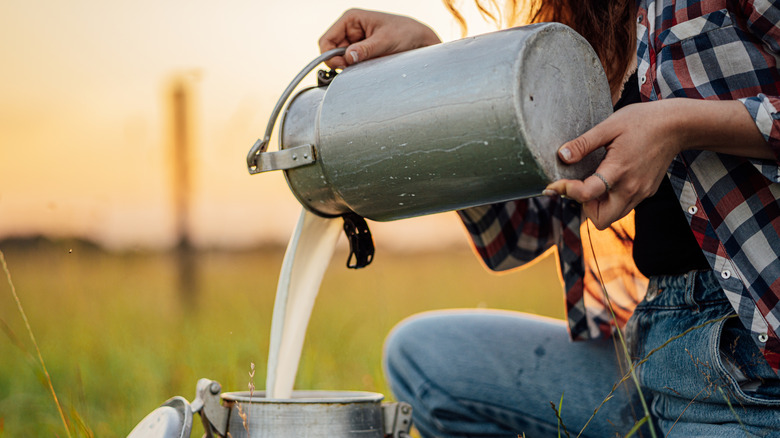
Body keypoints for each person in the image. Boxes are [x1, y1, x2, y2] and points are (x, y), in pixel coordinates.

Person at [320, 1, 780, 436]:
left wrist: (681, 124)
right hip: (654, 345)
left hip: (755, 359)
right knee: (422, 356)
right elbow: (522, 231)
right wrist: (433, 75)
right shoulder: (595, 25)